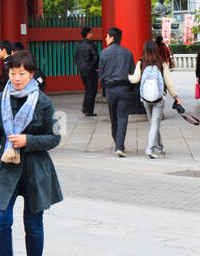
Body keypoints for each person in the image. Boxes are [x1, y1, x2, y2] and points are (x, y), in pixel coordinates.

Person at [0, 50, 63, 256]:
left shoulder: (44, 102)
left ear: (32, 74)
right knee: (1, 220)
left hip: (35, 170)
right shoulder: (0, 100)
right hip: (5, 168)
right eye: (13, 73)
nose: (17, 78)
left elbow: (55, 137)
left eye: (22, 74)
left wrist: (29, 140)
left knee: (34, 224)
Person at [130, 39, 182, 159]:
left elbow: (134, 79)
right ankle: (149, 148)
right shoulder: (162, 63)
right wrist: (176, 96)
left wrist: (125, 75)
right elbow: (169, 83)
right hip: (159, 98)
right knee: (155, 123)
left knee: (153, 123)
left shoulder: (141, 63)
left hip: (146, 99)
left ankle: (159, 147)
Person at [96, 27, 135, 157]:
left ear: (112, 37)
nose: (106, 38)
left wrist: (104, 84)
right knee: (123, 117)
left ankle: (117, 143)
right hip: (123, 87)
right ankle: (119, 146)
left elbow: (101, 73)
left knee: (113, 117)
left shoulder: (104, 53)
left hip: (110, 89)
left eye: (107, 36)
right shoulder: (127, 53)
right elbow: (132, 71)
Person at [74, 26, 100, 117]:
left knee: (88, 89)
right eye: (91, 32)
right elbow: (96, 57)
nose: (92, 34)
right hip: (90, 70)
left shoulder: (79, 45)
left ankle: (85, 107)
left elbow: (76, 58)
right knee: (92, 90)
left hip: (82, 70)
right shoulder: (91, 45)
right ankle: (89, 110)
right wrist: (96, 67)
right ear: (88, 34)